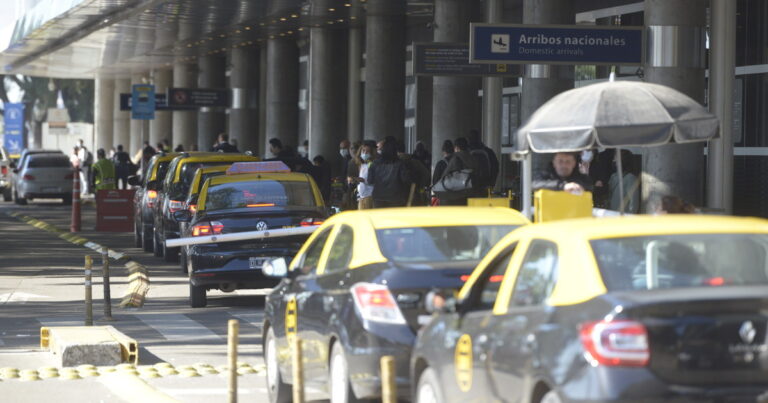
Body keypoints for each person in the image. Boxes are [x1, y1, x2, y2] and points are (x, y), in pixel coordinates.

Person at [367, 138, 412, 208]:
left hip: (378, 198)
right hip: (396, 198)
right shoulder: (400, 164)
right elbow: (406, 180)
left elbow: (370, 181)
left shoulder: (375, 163)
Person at [397, 139, 430, 206]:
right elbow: (426, 175)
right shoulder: (414, 161)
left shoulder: (393, 163)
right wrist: (421, 187)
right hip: (414, 195)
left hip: (397, 197)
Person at [351, 141, 377, 209]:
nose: (365, 153)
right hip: (361, 196)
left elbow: (372, 180)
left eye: (367, 151)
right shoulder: (362, 165)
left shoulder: (373, 164)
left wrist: (361, 179)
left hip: (369, 195)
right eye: (363, 151)